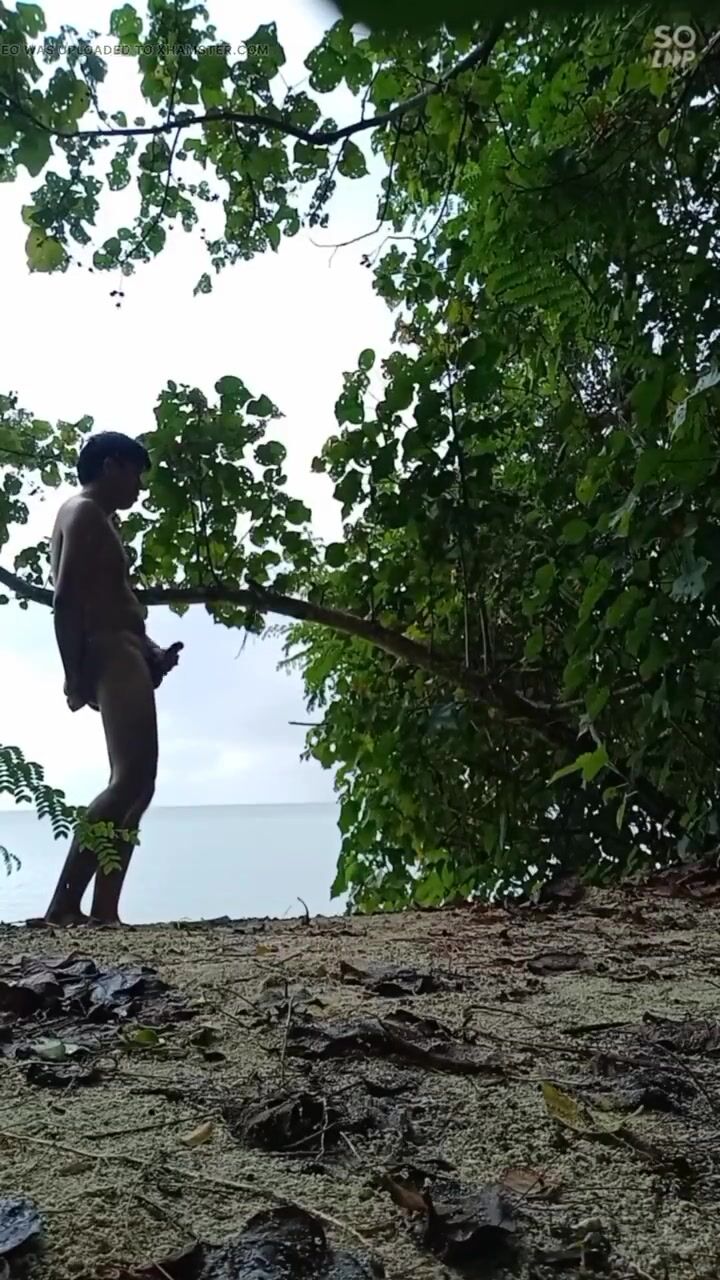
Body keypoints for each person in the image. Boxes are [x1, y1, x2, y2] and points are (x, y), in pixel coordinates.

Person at [44, 431, 183, 926]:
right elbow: (66, 600)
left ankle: (105, 909)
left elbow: (109, 600)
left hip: (124, 650)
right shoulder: (82, 512)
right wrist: (73, 675)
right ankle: (64, 904)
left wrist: (151, 650)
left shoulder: (99, 519)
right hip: (108, 653)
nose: (140, 486)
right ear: (111, 465)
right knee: (127, 781)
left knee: (140, 786)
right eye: (136, 473)